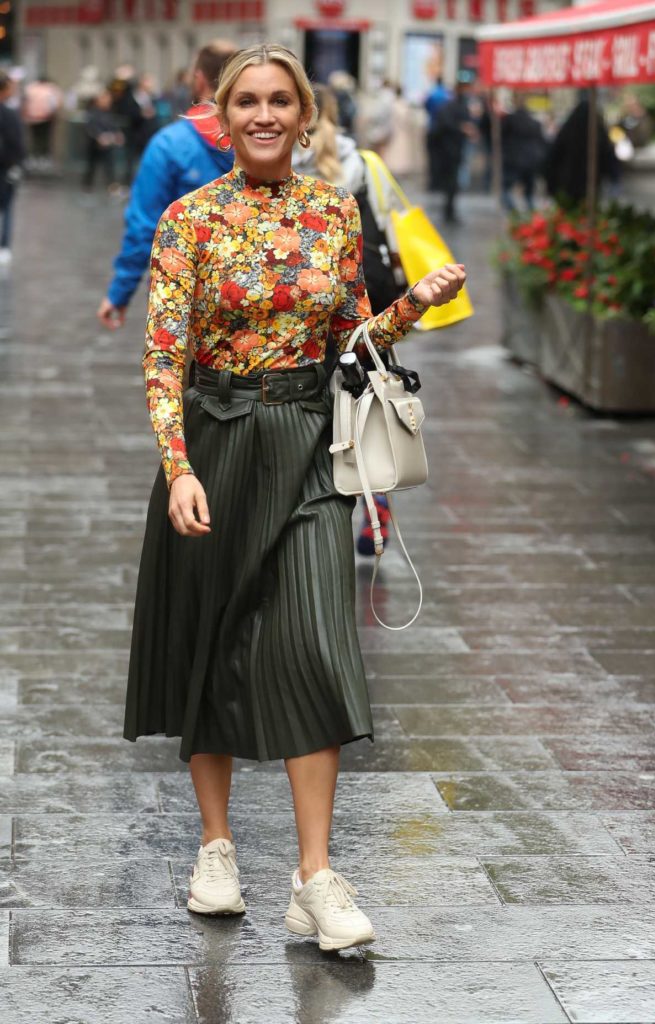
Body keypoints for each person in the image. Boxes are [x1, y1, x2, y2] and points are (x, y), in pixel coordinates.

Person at [123, 43, 466, 952]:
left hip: (310, 445)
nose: (265, 115)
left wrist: (412, 307)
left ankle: (315, 877)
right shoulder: (189, 220)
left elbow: (351, 336)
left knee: (318, 645)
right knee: (213, 643)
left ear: (304, 114)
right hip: (216, 447)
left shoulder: (334, 212)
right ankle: (216, 848)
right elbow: (163, 356)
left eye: (281, 101)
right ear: (223, 116)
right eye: (248, 102)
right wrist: (178, 466)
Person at [293, 83, 406, 555]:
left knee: (311, 397)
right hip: (366, 294)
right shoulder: (362, 162)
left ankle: (316, 493)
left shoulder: (280, 162)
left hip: (300, 300)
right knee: (363, 396)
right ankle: (374, 492)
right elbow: (391, 222)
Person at [97, 41, 236, 331]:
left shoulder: (170, 144)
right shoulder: (261, 141)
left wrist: (120, 292)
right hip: (255, 299)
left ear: (198, 79)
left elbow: (143, 223)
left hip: (182, 296)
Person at [543, 97, 618, 207]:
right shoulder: (598, 132)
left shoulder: (567, 131)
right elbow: (609, 158)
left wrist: (551, 185)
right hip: (591, 184)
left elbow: (553, 158)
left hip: (567, 183)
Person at [434, 79, 474, 224]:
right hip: (451, 149)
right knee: (451, 182)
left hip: (453, 149)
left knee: (452, 182)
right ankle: (448, 211)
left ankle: (449, 210)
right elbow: (446, 125)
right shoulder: (452, 107)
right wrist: (462, 128)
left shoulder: (454, 106)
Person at [500, 98, 546, 214]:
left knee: (507, 186)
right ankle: (530, 209)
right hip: (531, 159)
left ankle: (512, 208)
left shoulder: (509, 121)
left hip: (513, 158)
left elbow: (502, 137)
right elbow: (542, 141)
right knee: (529, 188)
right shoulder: (535, 124)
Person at [0, 70, 26, 264]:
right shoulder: (9, 114)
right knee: (7, 208)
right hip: (5, 168)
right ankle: (4, 246)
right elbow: (17, 144)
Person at [82, 89, 124, 192]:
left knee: (109, 165)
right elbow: (90, 127)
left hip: (107, 144)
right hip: (94, 144)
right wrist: (98, 137)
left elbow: (113, 126)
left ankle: (112, 185)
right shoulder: (92, 112)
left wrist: (117, 134)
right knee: (91, 166)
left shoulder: (108, 112)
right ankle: (87, 184)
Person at [22, 76, 62, 170]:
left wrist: (25, 115)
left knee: (34, 138)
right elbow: (54, 104)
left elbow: (25, 102)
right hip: (46, 118)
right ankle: (44, 158)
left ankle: (34, 158)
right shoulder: (51, 88)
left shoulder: (31, 88)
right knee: (45, 138)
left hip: (32, 117)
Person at [423, 76, 450, 190]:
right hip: (444, 131)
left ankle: (434, 182)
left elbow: (426, 106)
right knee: (443, 157)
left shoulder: (433, 94)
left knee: (433, 157)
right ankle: (441, 181)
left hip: (433, 128)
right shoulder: (447, 95)